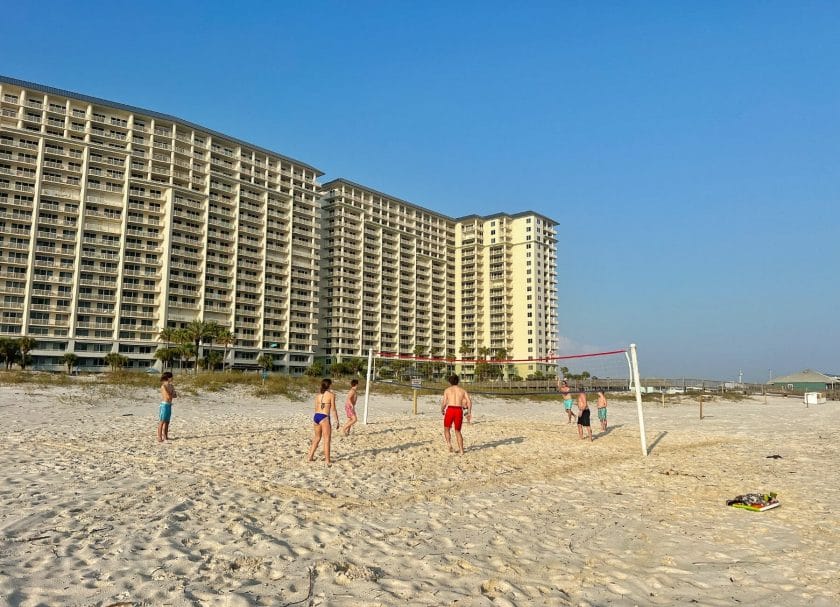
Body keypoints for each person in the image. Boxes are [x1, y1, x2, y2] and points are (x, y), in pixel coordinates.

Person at [307, 378, 339, 465]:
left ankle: (310, 456)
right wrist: (336, 420)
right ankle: (327, 461)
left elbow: (315, 408)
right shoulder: (331, 395)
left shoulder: (318, 395)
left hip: (316, 417)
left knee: (317, 438)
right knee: (327, 440)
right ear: (329, 385)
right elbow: (333, 409)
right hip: (324, 417)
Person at [441, 374, 473, 454]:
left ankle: (449, 444)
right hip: (458, 410)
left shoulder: (447, 390)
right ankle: (461, 450)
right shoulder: (462, 390)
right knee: (458, 431)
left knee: (446, 428)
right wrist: (469, 412)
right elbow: (469, 401)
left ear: (450, 382)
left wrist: (442, 409)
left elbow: (444, 402)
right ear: (458, 381)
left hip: (450, 409)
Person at [157, 371, 176, 443]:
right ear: (168, 378)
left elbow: (175, 395)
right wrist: (171, 394)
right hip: (164, 405)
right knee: (162, 421)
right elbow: (168, 395)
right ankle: (159, 437)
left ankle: (165, 436)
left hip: (169, 405)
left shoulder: (171, 386)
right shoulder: (163, 386)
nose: (172, 378)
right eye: (171, 377)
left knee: (167, 422)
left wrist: (171, 394)